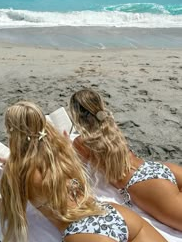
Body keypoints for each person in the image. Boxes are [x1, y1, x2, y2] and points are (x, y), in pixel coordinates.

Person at [0, 101, 174, 242]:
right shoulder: (63, 151)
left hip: (84, 231)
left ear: (11, 132)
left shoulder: (16, 174)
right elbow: (44, 165)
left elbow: (9, 210)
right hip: (111, 213)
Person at [69, 88, 182, 232]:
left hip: (141, 183)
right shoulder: (111, 127)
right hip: (153, 167)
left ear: (76, 115)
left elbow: (76, 174)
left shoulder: (81, 142)